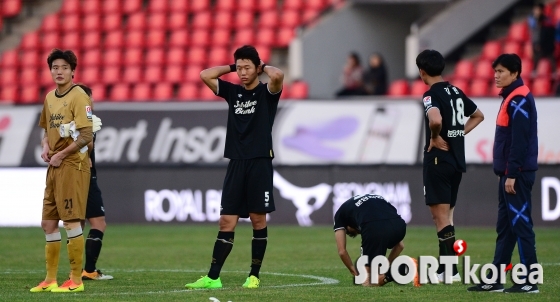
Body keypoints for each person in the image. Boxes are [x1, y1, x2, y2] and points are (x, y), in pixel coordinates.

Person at [185, 45, 284, 290]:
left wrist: (261, 67)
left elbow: (278, 76)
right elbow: (205, 75)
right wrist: (232, 66)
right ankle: (213, 277)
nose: (241, 72)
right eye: (238, 68)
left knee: (258, 220)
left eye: (246, 67)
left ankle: (253, 275)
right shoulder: (233, 92)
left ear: (257, 68)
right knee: (226, 221)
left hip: (260, 162)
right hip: (236, 163)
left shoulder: (267, 93)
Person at [468, 54, 539, 293]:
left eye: (501, 71)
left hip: (516, 175)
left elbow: (520, 141)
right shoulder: (511, 97)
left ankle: (530, 279)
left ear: (515, 73)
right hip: (510, 174)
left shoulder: (518, 99)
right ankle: (496, 278)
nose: (496, 75)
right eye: (495, 71)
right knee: (506, 228)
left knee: (521, 226)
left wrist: (512, 174)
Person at [416, 49, 484, 283]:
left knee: (440, 218)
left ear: (422, 72)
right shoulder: (456, 91)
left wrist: (435, 137)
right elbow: (478, 115)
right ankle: (447, 268)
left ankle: (450, 270)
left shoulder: (430, 95)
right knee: (448, 217)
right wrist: (458, 135)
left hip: (438, 160)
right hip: (456, 161)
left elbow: (435, 119)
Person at [30, 49, 93, 293]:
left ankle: (76, 281)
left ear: (72, 71)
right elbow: (46, 128)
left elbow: (87, 134)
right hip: (55, 165)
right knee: (48, 223)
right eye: (55, 67)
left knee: (71, 220)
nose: (59, 71)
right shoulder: (49, 97)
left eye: (64, 67)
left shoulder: (78, 96)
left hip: (72, 164)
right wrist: (46, 146)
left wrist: (60, 154)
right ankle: (50, 280)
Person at [75, 85, 113, 281]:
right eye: (89, 98)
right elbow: (88, 143)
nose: (92, 102)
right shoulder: (87, 121)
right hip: (86, 176)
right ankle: (88, 270)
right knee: (97, 222)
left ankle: (76, 272)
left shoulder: (67, 118)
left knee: (77, 224)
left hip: (71, 176)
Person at [333, 194, 409, 286]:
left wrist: (355, 273)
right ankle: (387, 272)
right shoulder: (373, 197)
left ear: (347, 226)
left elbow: (342, 251)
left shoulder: (340, 215)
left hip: (374, 228)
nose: (360, 232)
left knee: (367, 281)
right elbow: (400, 246)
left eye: (357, 231)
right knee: (374, 273)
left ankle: (391, 274)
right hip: (400, 226)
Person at [528, 3, 555, 73]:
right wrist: (536, 43)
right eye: (535, 10)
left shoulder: (547, 20)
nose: (536, 11)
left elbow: (550, 31)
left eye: (538, 10)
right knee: (537, 57)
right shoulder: (533, 20)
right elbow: (535, 33)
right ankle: (534, 71)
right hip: (537, 44)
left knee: (551, 57)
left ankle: (553, 72)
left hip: (547, 43)